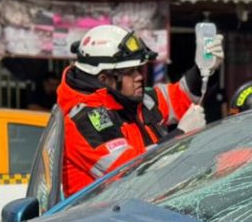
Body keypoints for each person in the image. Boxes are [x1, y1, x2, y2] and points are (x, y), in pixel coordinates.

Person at [58, 24, 222, 197]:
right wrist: (180, 135)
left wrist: (203, 70)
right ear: (104, 79)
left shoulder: (129, 100)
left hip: (143, 208)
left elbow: (179, 97)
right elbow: (129, 170)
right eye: (130, 72)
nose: (139, 77)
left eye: (138, 69)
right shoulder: (85, 119)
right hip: (102, 218)